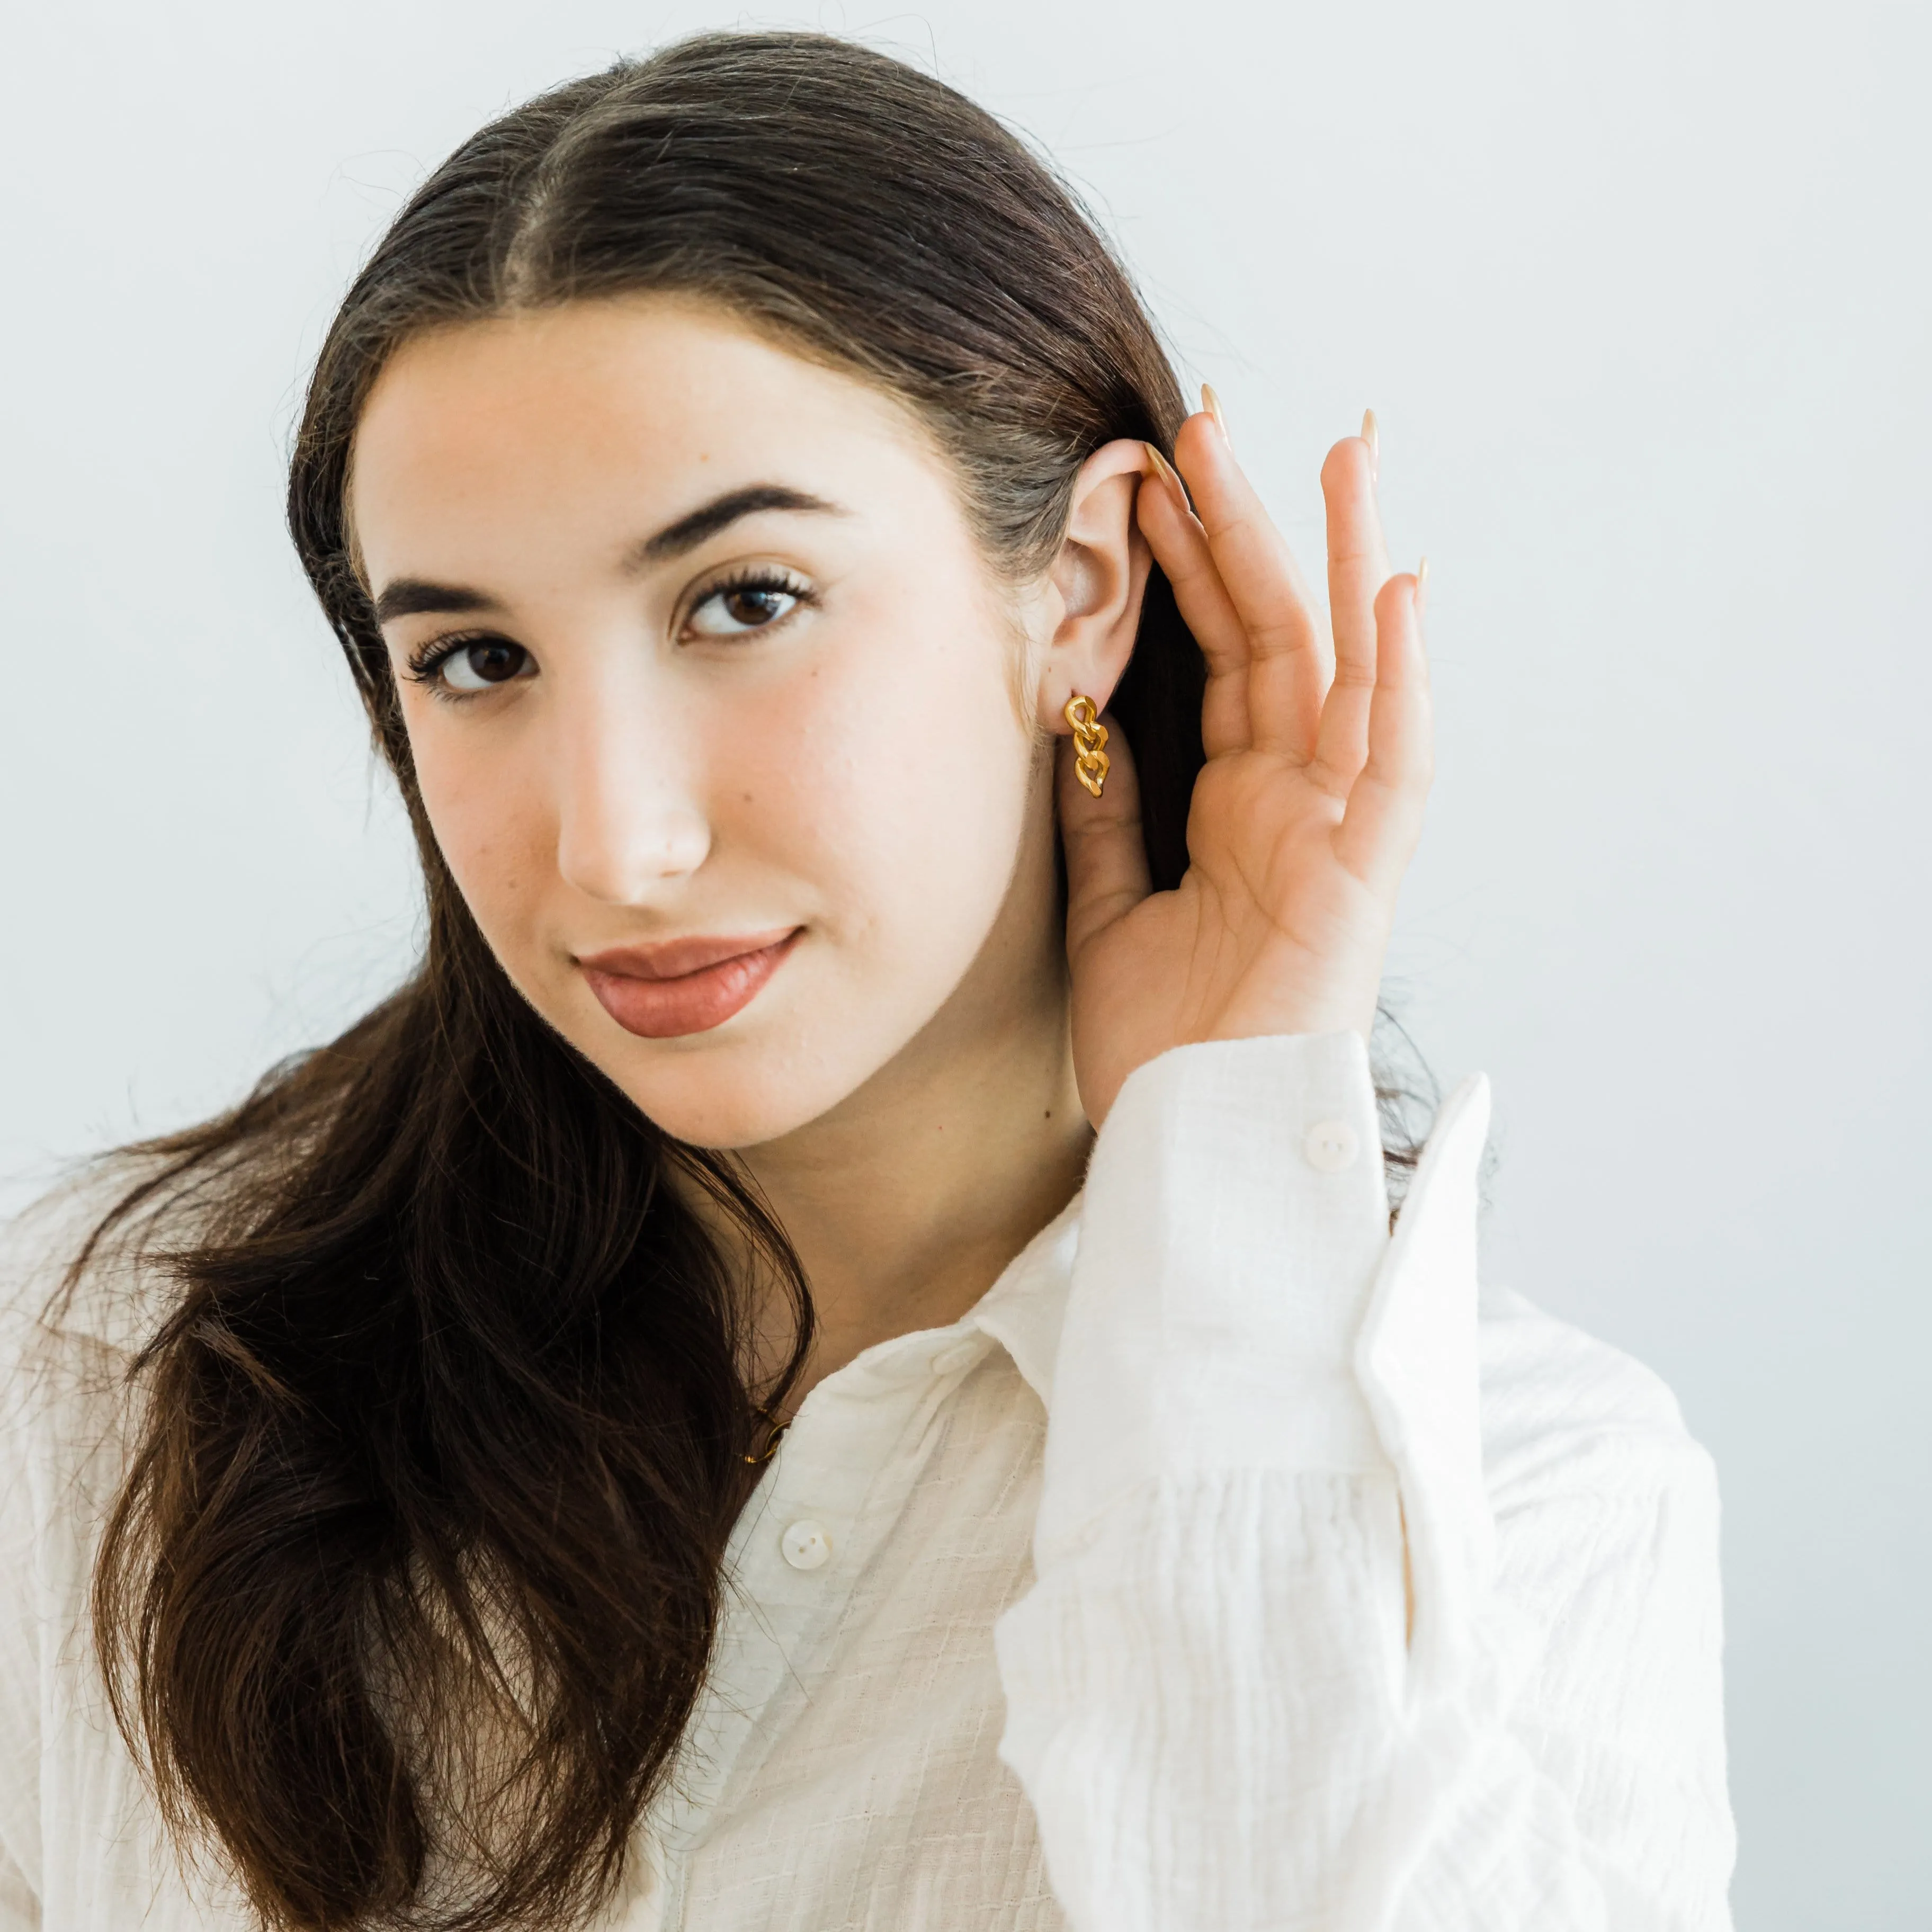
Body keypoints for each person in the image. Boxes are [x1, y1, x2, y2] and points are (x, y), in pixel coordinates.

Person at [0, 29, 1735, 1932]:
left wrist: (1227, 1140)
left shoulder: (1515, 1497)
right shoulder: (111, 1368)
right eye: (476, 661)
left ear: (1079, 584)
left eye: (744, 603)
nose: (616, 846)